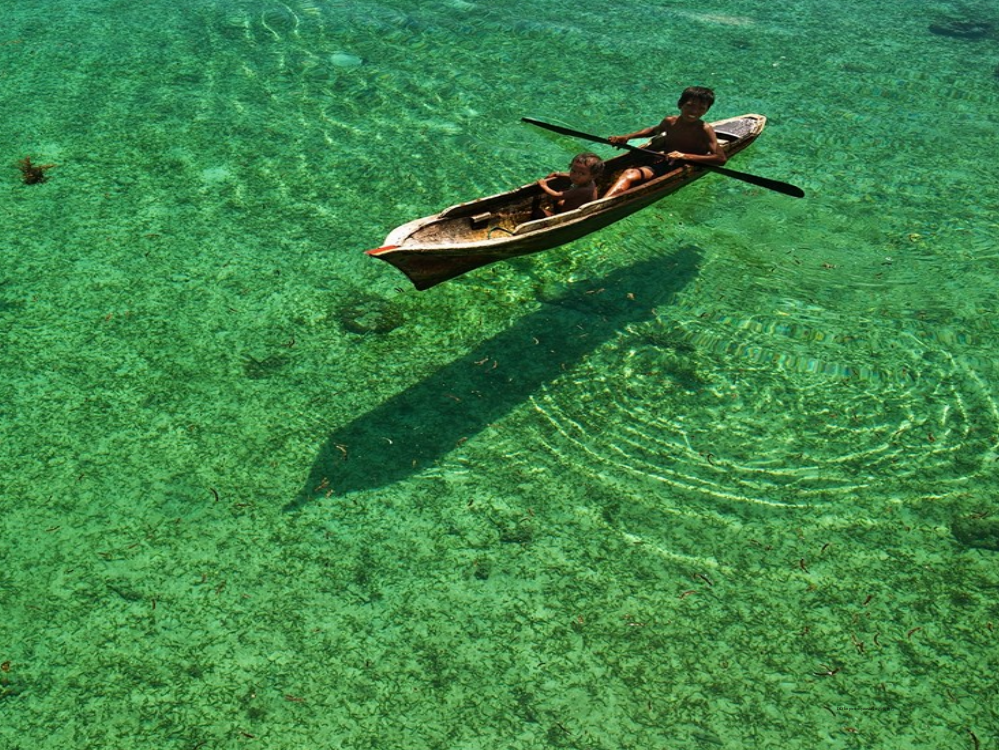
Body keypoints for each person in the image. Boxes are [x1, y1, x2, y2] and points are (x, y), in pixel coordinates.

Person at [603, 86, 727, 199]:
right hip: (665, 162)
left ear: (706, 110)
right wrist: (627, 137)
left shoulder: (704, 129)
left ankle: (602, 204)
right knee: (630, 172)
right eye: (690, 105)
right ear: (680, 104)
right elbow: (653, 131)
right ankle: (604, 202)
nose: (694, 111)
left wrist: (685, 156)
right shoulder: (670, 122)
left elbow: (720, 159)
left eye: (701, 108)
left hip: (683, 166)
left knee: (630, 174)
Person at [534, 152, 604, 217]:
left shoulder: (583, 190)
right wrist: (558, 174)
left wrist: (544, 185)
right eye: (573, 171)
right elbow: (570, 175)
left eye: (582, 173)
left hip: (570, 216)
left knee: (538, 213)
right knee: (560, 203)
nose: (576, 176)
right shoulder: (588, 181)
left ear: (593, 176)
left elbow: (556, 195)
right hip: (570, 208)